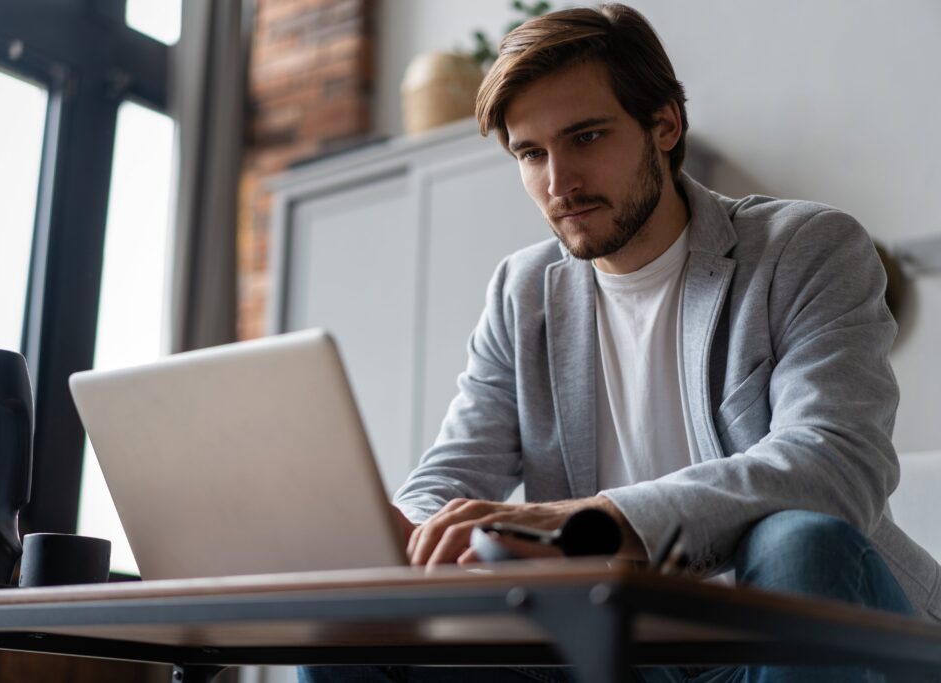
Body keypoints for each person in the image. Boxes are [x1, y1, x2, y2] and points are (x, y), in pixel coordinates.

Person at [301, 4, 940, 681]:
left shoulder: (806, 249)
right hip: (625, 649)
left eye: (587, 137)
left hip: (801, 628)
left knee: (798, 537)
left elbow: (831, 467)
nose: (558, 183)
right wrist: (405, 531)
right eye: (531, 153)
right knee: (347, 629)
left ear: (664, 124)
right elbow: (449, 475)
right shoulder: (523, 292)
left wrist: (588, 522)